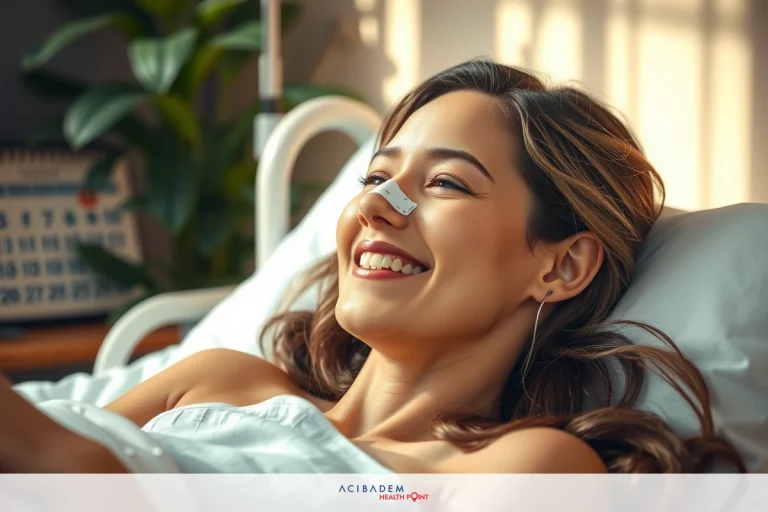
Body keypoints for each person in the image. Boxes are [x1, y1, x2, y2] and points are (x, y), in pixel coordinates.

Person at [0, 58, 745, 474]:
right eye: (375, 178)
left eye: (447, 183)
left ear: (560, 267)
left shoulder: (524, 466)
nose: (379, 209)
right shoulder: (221, 378)